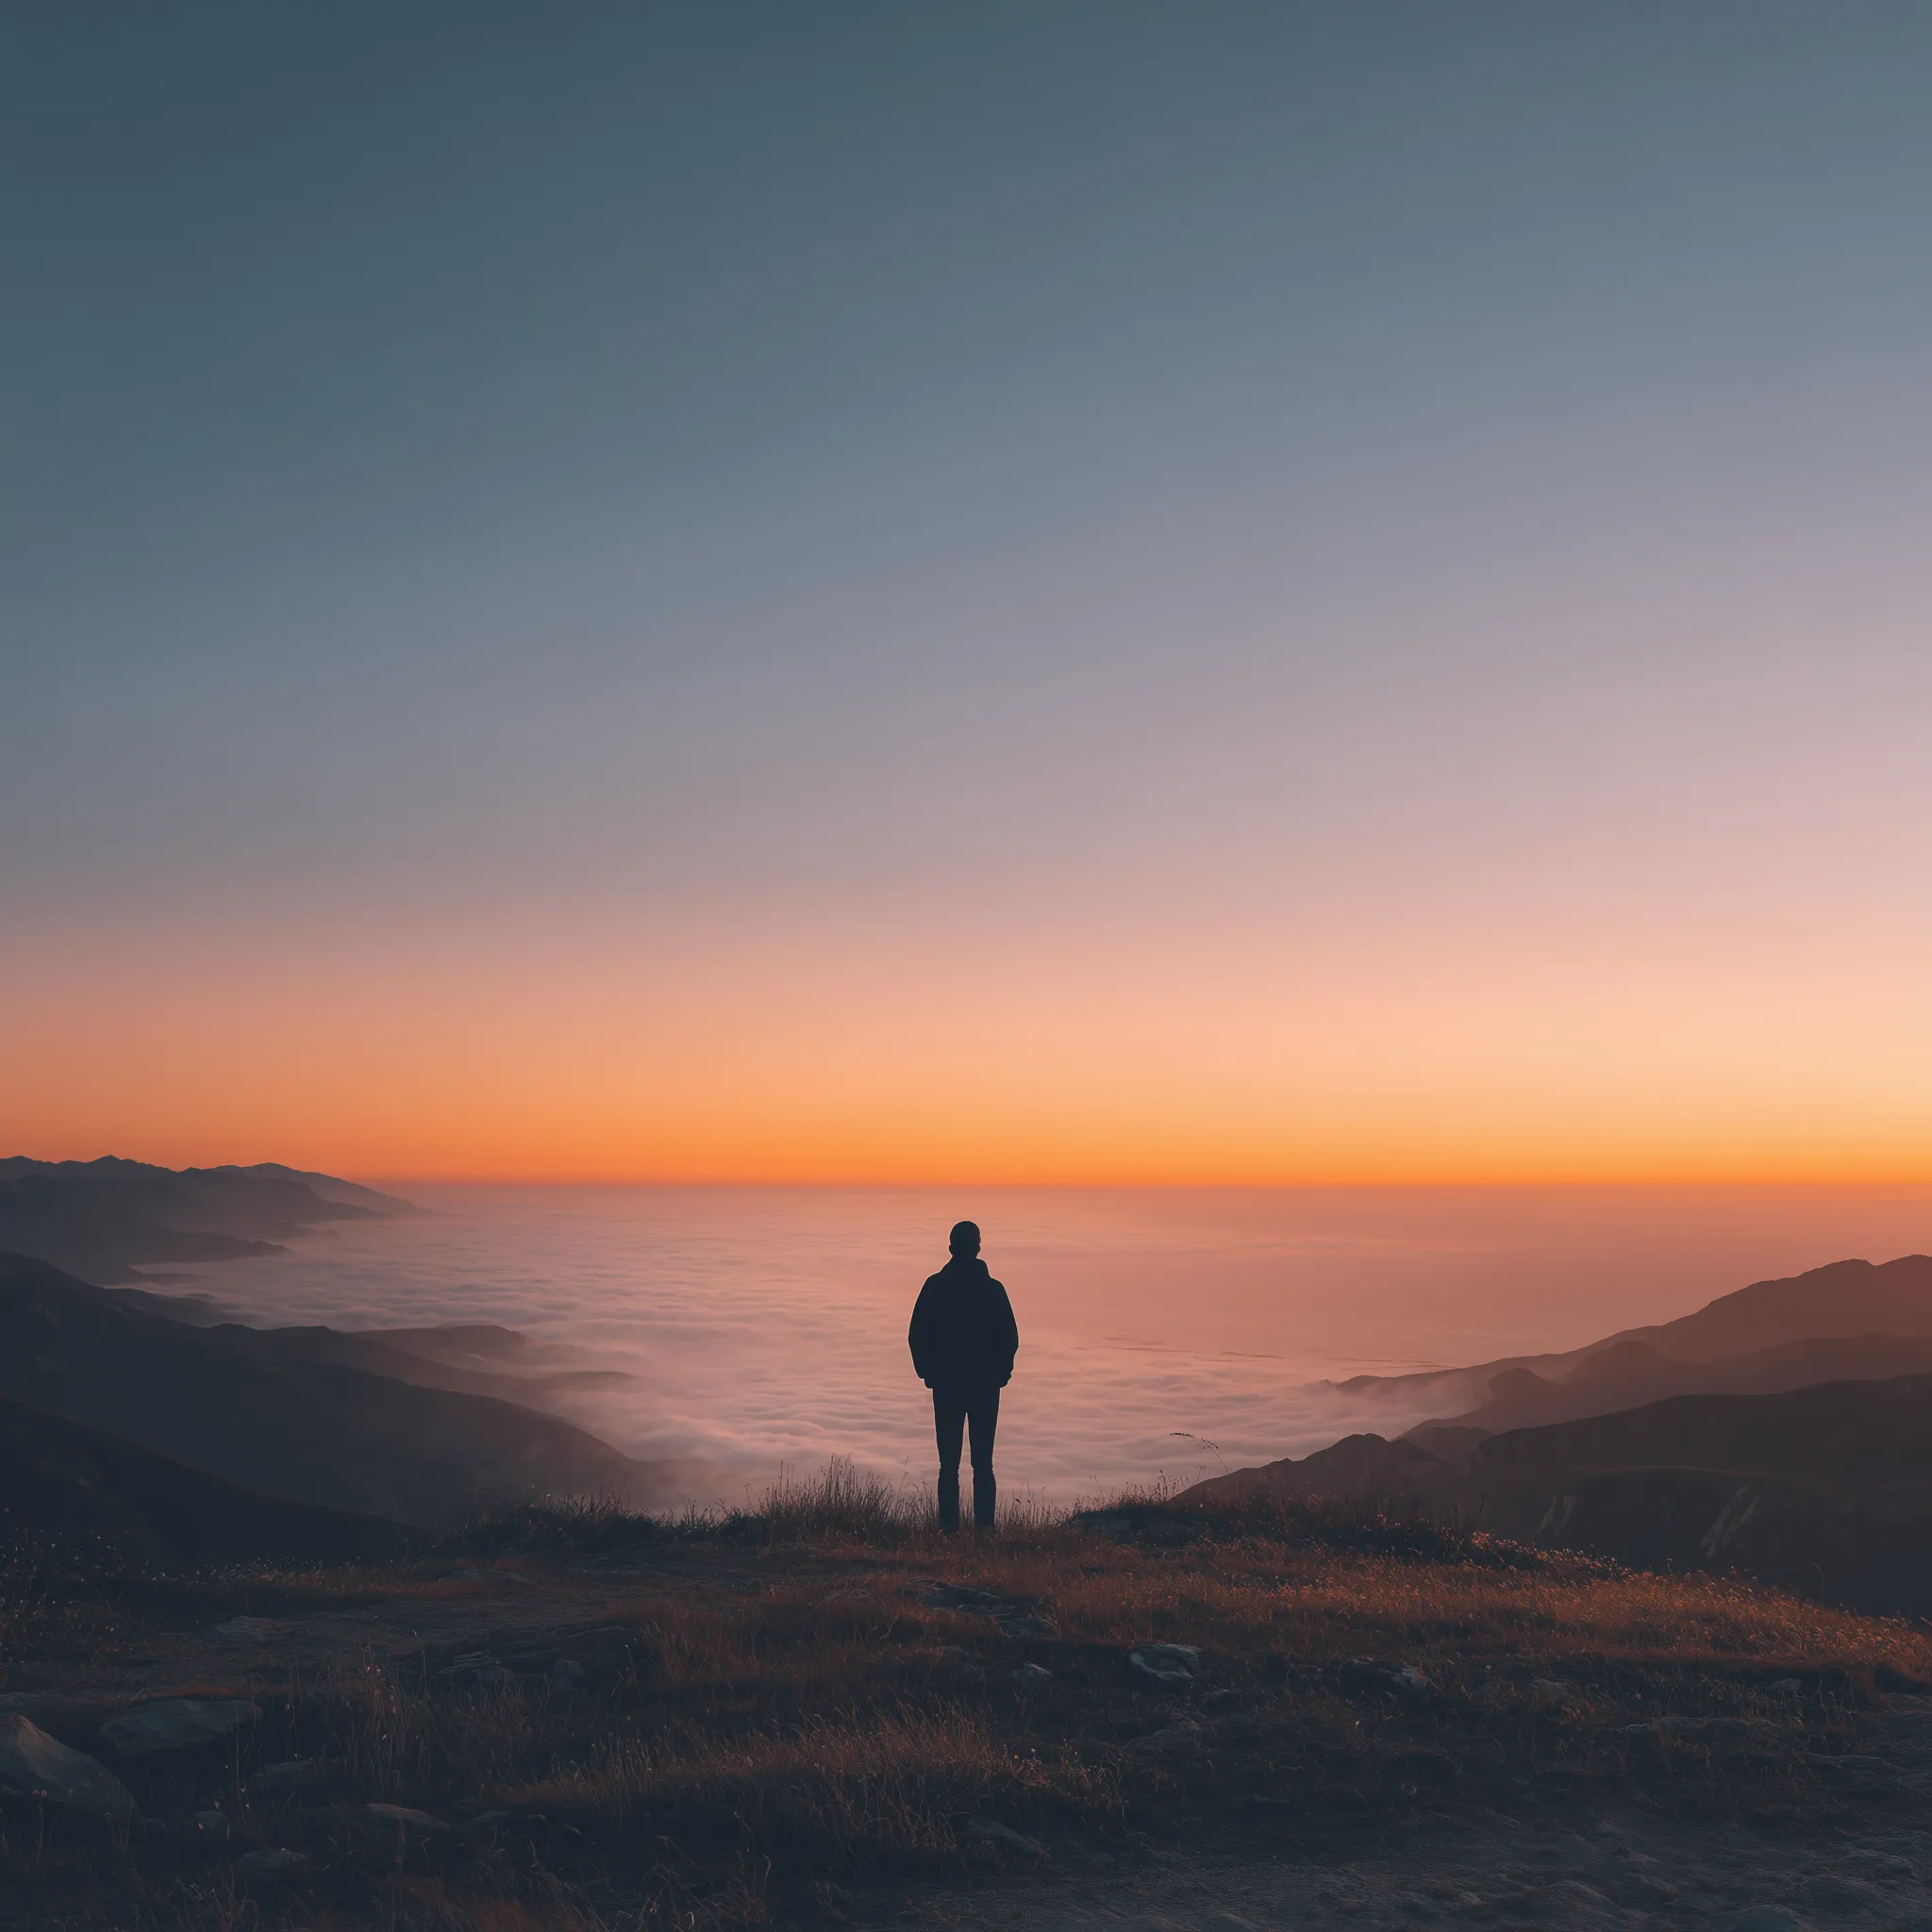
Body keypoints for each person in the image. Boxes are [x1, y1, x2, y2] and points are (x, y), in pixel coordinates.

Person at [908, 1220, 1019, 1533]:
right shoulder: (993, 1289)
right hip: (985, 1387)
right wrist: (1001, 1374)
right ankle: (985, 1532)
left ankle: (948, 1530)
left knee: (948, 1466)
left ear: (951, 1248)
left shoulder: (935, 1286)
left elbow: (917, 1334)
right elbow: (1009, 1337)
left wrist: (928, 1373)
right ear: (977, 1247)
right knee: (983, 1464)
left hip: (947, 1386)